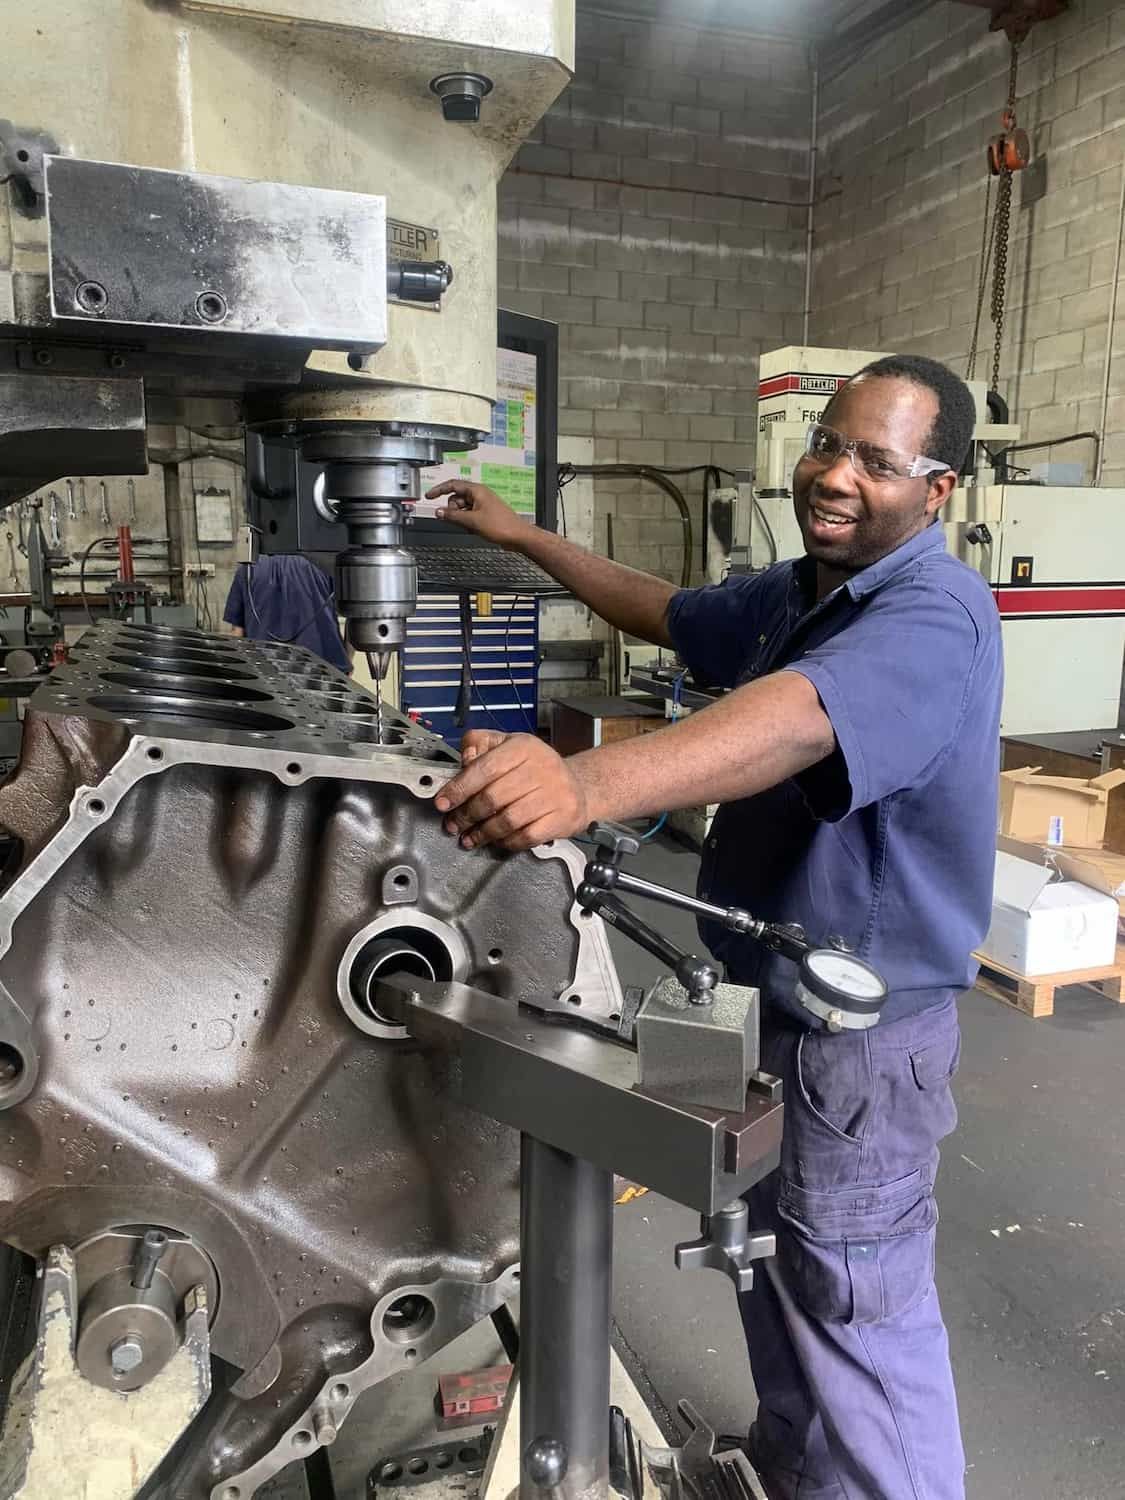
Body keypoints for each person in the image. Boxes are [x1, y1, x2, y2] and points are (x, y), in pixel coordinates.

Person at [426, 354, 1002, 1500]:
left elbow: (798, 717)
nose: (836, 475)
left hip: (860, 1049)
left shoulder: (937, 612)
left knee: (858, 1315)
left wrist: (582, 787)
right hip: (761, 1012)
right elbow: (666, 611)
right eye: (829, 443)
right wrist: (522, 536)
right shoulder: (800, 590)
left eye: (877, 462)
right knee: (778, 1279)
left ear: (936, 491)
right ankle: (798, 1477)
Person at [223, 553, 350, 671]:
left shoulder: (247, 569)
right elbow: (356, 617)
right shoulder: (325, 565)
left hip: (264, 670)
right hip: (320, 670)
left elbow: (237, 633)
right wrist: (345, 661)